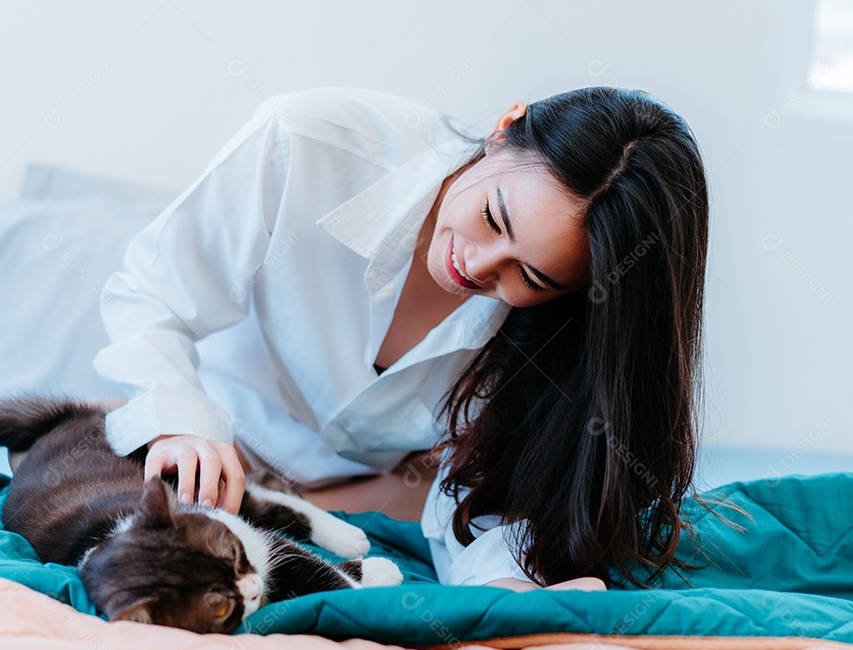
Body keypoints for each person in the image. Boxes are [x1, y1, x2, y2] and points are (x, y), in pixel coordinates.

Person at [93, 85, 710, 591]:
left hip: (380, 502)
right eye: (495, 218)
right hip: (213, 455)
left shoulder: (558, 327)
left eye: (531, 275)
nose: (478, 264)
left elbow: (485, 501)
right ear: (504, 126)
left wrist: (511, 593)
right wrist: (180, 420)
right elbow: (150, 293)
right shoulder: (306, 143)